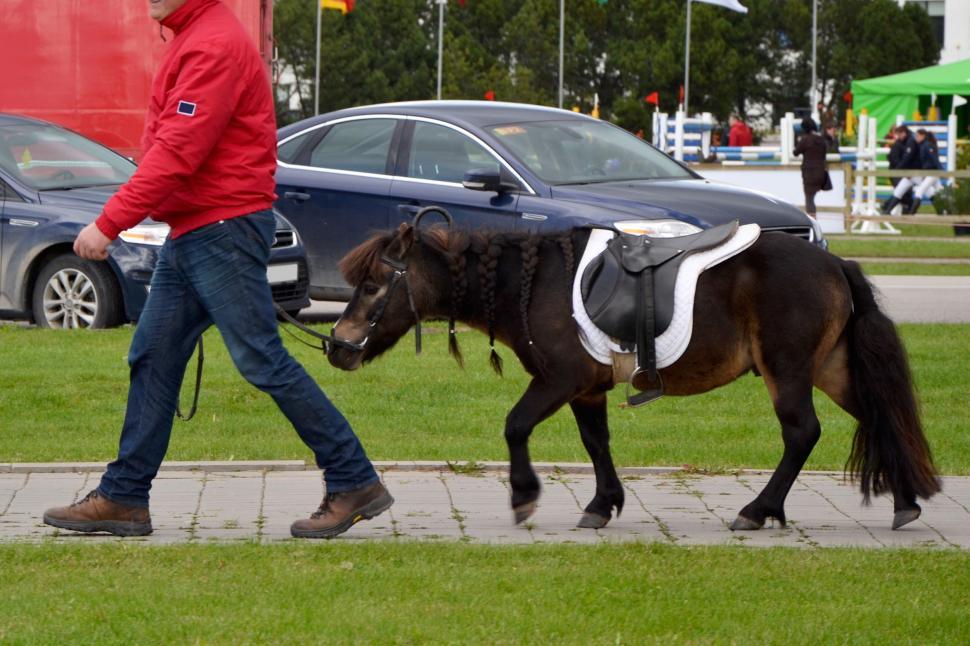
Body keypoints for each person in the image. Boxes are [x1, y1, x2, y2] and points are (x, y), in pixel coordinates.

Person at [43, 0, 392, 539]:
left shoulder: (213, 44)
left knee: (262, 360)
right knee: (154, 355)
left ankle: (354, 478)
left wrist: (108, 224)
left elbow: (178, 151)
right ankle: (124, 497)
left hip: (221, 230)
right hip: (198, 231)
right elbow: (171, 145)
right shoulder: (192, 35)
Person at [792, 117, 828, 218]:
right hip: (820, 172)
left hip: (809, 173)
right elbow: (824, 153)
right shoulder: (820, 139)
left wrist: (796, 137)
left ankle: (813, 221)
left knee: (809, 198)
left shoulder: (805, 139)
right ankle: (813, 219)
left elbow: (795, 152)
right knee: (811, 197)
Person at [883, 125, 922, 214]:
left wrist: (899, 170)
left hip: (911, 172)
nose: (897, 137)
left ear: (903, 133)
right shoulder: (905, 142)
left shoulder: (910, 142)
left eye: (898, 134)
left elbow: (907, 158)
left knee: (927, 191)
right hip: (909, 172)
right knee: (900, 190)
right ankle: (887, 210)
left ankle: (888, 209)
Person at [903, 129, 943, 214]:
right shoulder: (923, 145)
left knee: (919, 191)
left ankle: (911, 213)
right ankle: (944, 210)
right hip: (930, 172)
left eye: (917, 136)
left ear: (923, 136)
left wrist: (941, 169)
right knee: (940, 191)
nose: (915, 138)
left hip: (932, 172)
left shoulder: (927, 145)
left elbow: (934, 159)